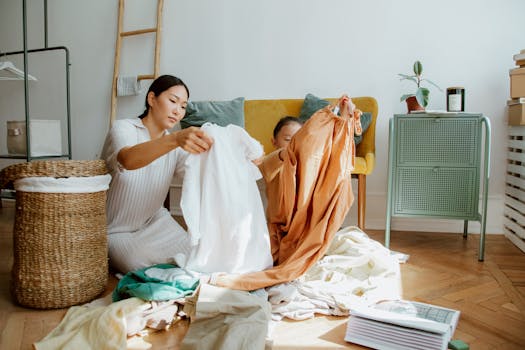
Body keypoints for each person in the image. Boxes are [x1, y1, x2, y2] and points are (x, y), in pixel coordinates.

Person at [101, 74, 214, 274]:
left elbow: (199, 174)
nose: (177, 111)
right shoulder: (123, 128)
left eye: (183, 106)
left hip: (156, 222)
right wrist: (176, 139)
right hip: (116, 230)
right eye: (173, 101)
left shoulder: (176, 145)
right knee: (139, 264)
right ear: (152, 99)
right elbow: (128, 159)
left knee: (197, 255)